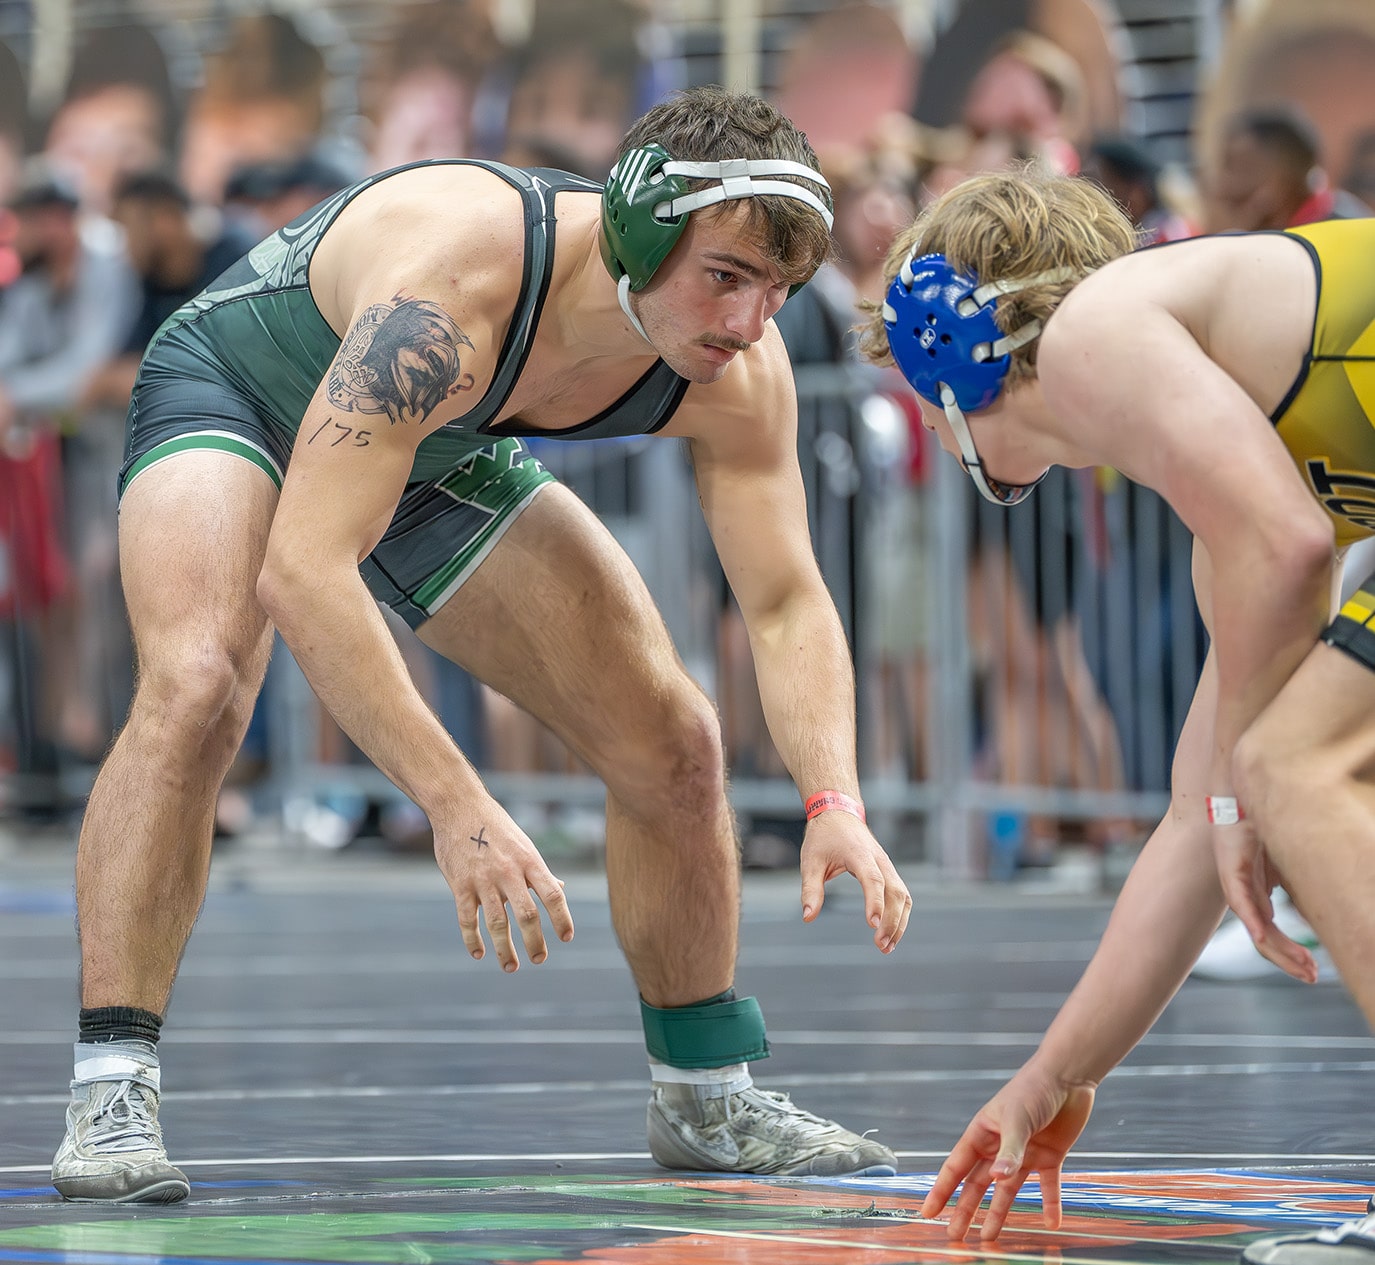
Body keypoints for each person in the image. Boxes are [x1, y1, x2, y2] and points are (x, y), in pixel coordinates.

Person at [51, 85, 913, 1205]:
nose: (750, 323)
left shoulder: (739, 373)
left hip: (431, 441)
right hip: (248, 389)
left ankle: (706, 1095)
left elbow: (790, 598)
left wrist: (833, 801)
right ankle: (111, 1083)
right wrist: (455, 804)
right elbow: (305, 571)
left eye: (779, 290)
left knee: (674, 741)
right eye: (727, 277)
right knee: (201, 679)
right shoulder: (452, 289)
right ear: (642, 229)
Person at [858, 163, 1375, 1263]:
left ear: (942, 352)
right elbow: (1195, 823)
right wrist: (1051, 1075)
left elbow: (1285, 562)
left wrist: (1247, 784)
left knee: (1293, 765)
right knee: (1283, 763)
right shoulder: (1234, 472)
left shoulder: (1097, 332)